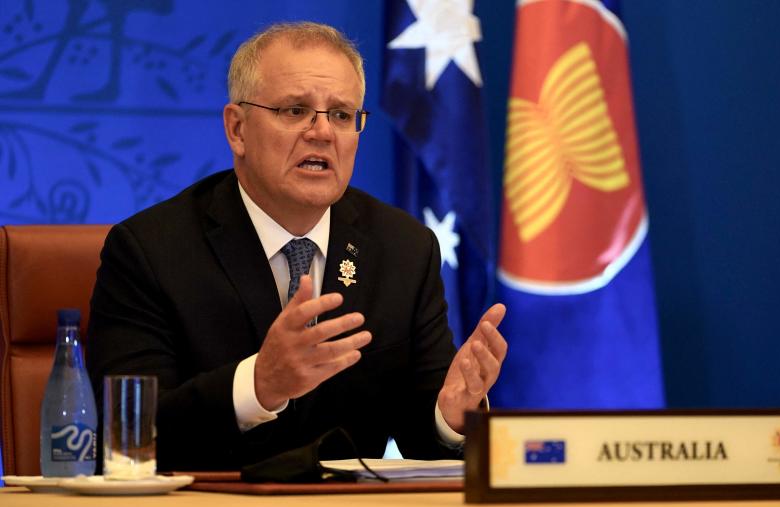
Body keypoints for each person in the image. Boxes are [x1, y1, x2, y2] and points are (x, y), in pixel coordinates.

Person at [87, 21, 507, 471]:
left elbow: (422, 439)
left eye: (342, 115)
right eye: (294, 110)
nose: (322, 132)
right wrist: (258, 386)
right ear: (237, 129)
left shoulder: (403, 248)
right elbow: (130, 436)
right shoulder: (150, 250)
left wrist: (452, 417)